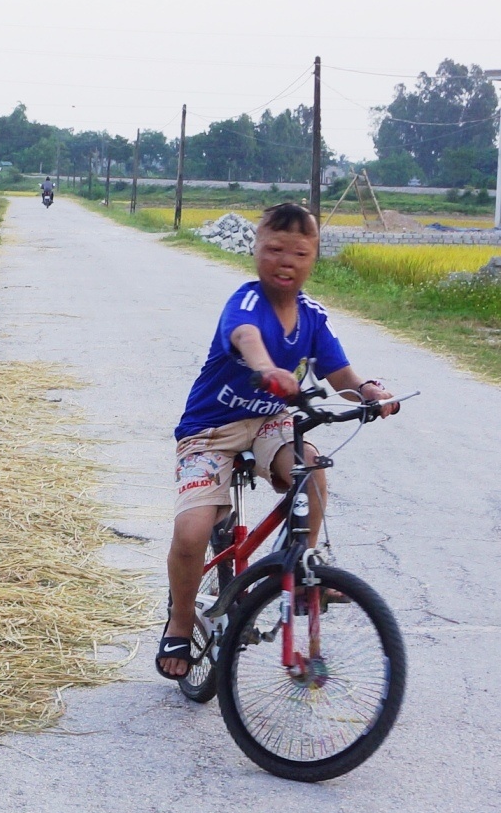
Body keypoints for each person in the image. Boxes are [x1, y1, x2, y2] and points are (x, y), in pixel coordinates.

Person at [154, 202, 397, 679]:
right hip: (211, 430)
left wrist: (368, 391)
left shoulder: (313, 317)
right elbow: (246, 338)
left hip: (269, 423)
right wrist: (268, 371)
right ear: (256, 250)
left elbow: (339, 372)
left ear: (313, 258)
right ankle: (180, 620)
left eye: (299, 253)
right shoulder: (245, 305)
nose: (285, 261)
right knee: (191, 533)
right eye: (274, 249)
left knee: (311, 468)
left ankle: (304, 569)